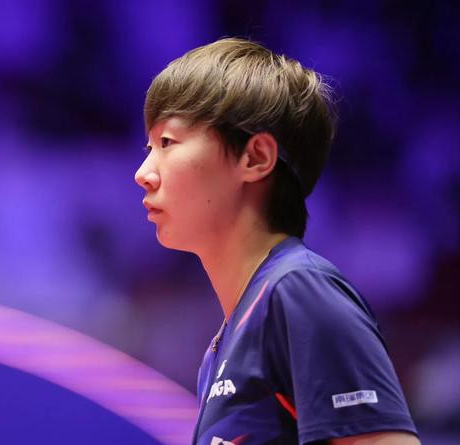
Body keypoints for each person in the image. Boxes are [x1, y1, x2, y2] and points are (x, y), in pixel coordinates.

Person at [134, 38, 419, 445]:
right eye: (149, 147)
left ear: (256, 158)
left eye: (167, 143)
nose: (143, 173)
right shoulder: (223, 347)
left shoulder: (298, 290)